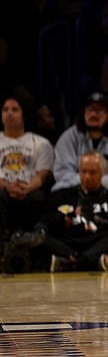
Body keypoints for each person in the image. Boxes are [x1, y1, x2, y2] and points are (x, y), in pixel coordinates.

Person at [52, 92, 108, 267]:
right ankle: (64, 246)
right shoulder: (70, 136)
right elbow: (62, 172)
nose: (94, 114)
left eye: (99, 110)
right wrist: (85, 182)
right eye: (90, 109)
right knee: (57, 191)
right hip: (78, 188)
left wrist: (102, 182)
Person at [38, 151, 108, 272]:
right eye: (83, 171)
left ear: (102, 173)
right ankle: (89, 261)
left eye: (92, 172)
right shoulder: (61, 195)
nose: (87, 176)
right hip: (68, 242)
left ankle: (73, 262)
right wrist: (62, 218)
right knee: (39, 236)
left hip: (95, 242)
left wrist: (98, 221)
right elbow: (45, 221)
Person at [0, 87, 54, 253]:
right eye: (5, 110)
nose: (9, 113)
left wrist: (27, 187)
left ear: (24, 115)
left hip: (30, 189)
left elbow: (43, 174)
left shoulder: (41, 143)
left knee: (37, 198)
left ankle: (35, 248)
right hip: (3, 189)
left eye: (15, 110)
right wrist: (8, 187)